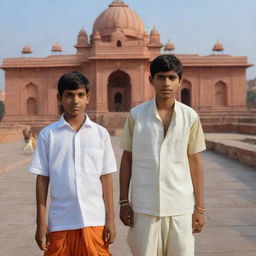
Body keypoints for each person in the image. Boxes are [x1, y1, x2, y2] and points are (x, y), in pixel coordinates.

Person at [119, 54, 206, 256]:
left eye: (172, 77)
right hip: (144, 206)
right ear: (151, 80)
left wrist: (199, 208)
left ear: (180, 81)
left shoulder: (190, 117)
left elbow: (194, 161)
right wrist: (124, 202)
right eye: (160, 77)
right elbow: (127, 159)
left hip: (180, 205)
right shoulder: (137, 115)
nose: (166, 83)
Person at [29, 71, 117, 256]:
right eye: (69, 95)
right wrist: (40, 223)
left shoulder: (100, 134)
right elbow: (42, 180)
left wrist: (111, 219)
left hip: (95, 218)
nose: (75, 101)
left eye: (80, 95)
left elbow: (106, 177)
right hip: (61, 219)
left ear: (88, 98)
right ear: (60, 98)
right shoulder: (49, 135)